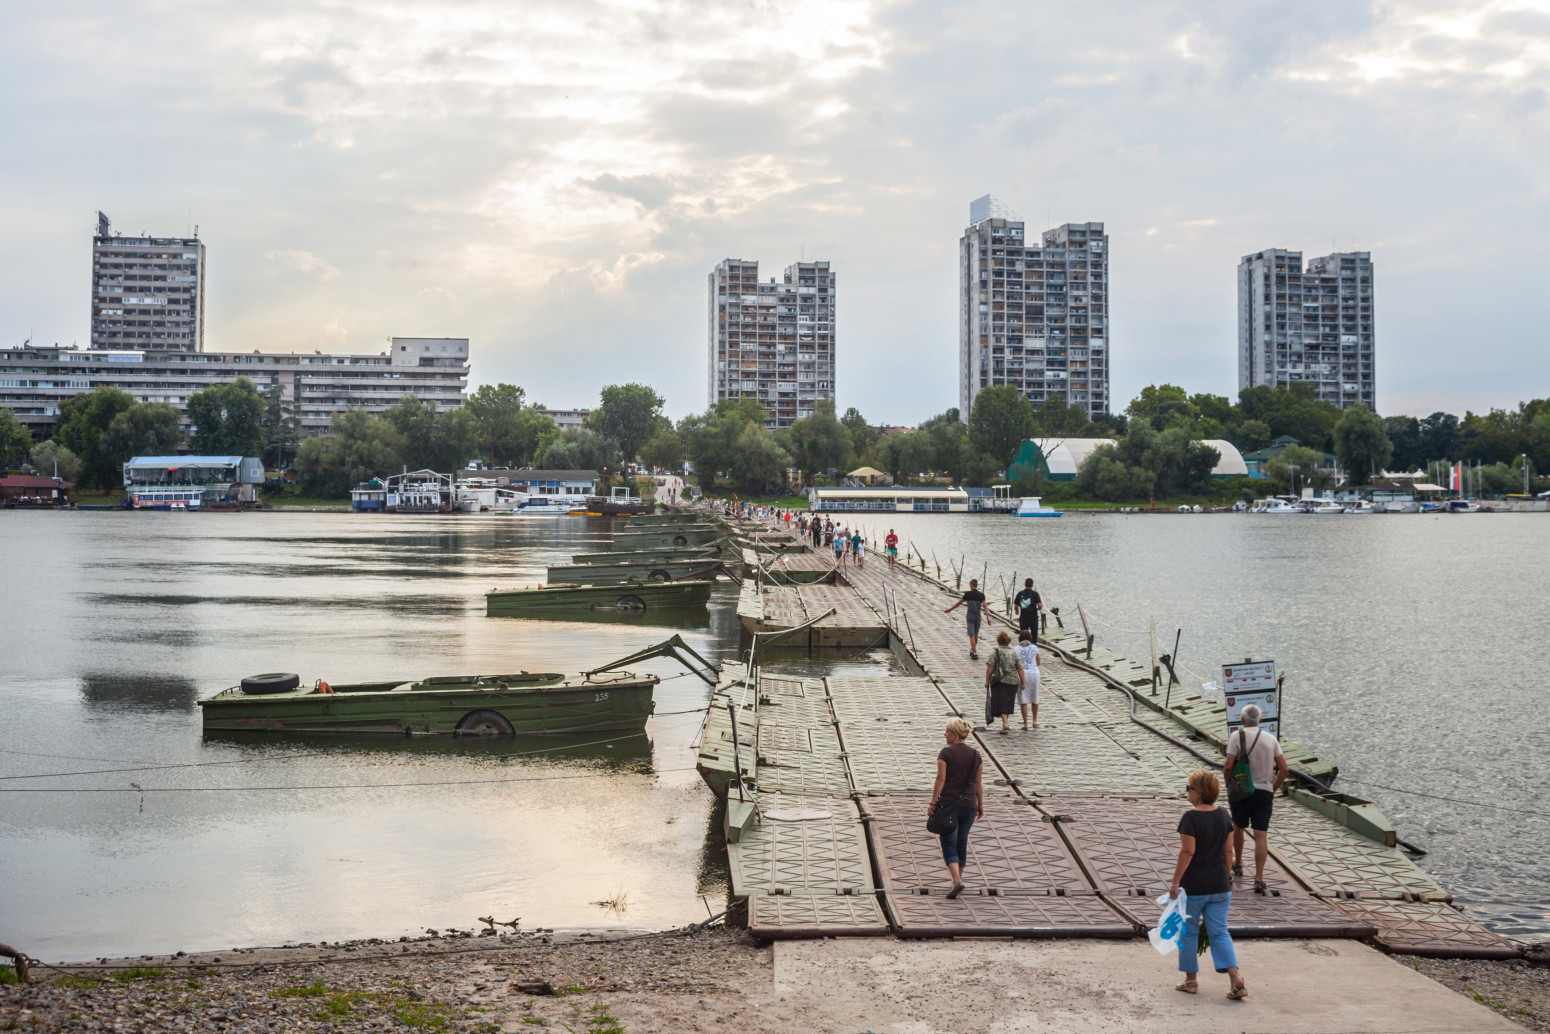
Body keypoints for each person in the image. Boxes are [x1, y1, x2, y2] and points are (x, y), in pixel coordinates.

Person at [1169, 770, 1248, 999]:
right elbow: (1228, 851)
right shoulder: (1223, 815)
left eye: (1190, 788)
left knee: (1188, 932)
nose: (1187, 791)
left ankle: (1191, 979)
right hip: (1219, 886)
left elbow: (1188, 851)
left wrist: (1175, 881)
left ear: (1199, 793)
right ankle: (1235, 978)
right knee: (1219, 932)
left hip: (1194, 887)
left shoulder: (1190, 818)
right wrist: (1228, 876)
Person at [1223, 704, 1289, 893]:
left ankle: (1238, 864)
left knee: (1238, 827)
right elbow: (1284, 768)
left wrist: (1229, 786)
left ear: (1242, 720)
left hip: (1241, 791)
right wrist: (1272, 788)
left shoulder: (1237, 736)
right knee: (1261, 835)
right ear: (1261, 720)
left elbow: (1228, 766)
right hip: (1264, 792)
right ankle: (1259, 878)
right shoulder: (1271, 739)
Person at [927, 717, 984, 899]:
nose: (945, 734)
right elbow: (978, 782)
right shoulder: (976, 755)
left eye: (947, 731)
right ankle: (956, 882)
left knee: (949, 842)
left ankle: (956, 880)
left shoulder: (946, 753)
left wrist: (933, 802)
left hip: (949, 804)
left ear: (954, 733)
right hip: (969, 805)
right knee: (961, 842)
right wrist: (980, 803)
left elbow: (941, 779)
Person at [984, 631, 1023, 734]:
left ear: (998, 641)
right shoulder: (1014, 653)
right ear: (1008, 642)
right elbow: (1020, 668)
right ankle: (1005, 722)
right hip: (1013, 681)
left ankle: (1005, 723)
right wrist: (1023, 681)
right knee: (1008, 701)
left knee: (1000, 701)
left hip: (999, 681)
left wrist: (987, 680)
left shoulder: (995, 652)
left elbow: (989, 667)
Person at [944, 579, 987, 659]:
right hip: (978, 617)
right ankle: (973, 650)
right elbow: (985, 606)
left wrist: (950, 609)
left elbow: (959, 603)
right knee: (976, 634)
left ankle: (975, 652)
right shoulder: (981, 595)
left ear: (971, 585)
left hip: (970, 617)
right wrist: (988, 617)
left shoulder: (968, 594)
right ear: (976, 585)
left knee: (971, 635)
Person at [1015, 629, 1040, 728]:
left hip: (1022, 674)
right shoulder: (1034, 647)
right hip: (1034, 674)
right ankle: (1034, 720)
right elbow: (1038, 662)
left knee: (1023, 698)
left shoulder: (1016, 649)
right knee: (1035, 697)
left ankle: (1025, 723)